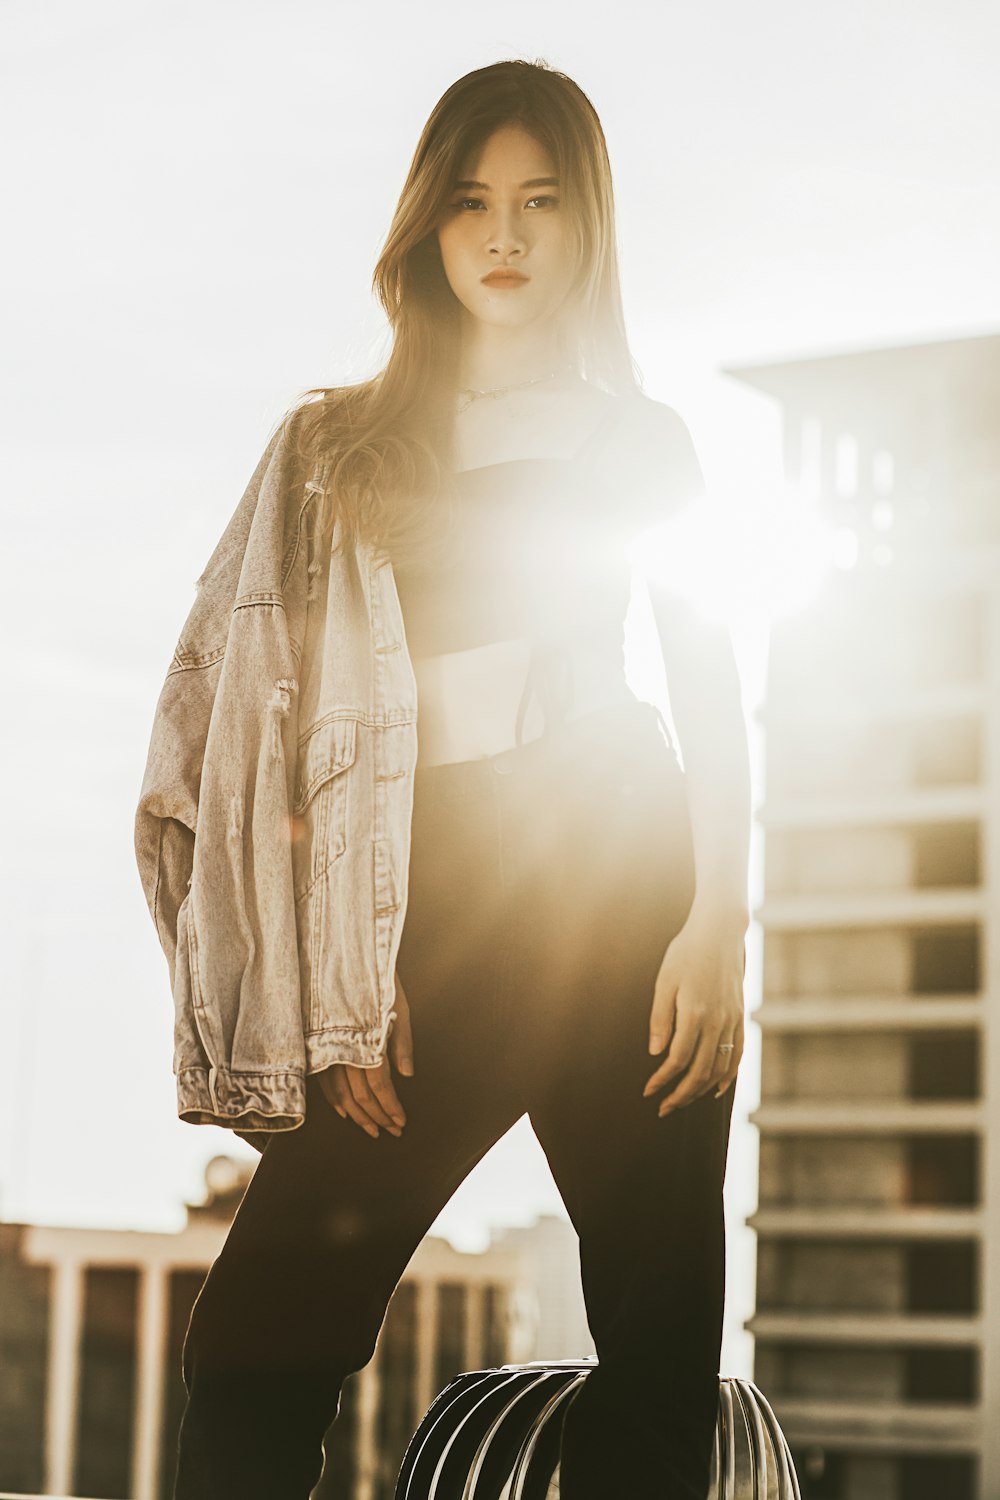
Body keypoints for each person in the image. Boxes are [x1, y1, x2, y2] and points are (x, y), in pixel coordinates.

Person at [135, 58, 750, 1500]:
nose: (507, 236)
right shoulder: (339, 446)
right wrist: (346, 956)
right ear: (427, 224)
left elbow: (709, 689)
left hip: (618, 868)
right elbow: (268, 729)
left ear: (588, 226)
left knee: (657, 1340)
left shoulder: (643, 441)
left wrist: (717, 925)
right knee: (257, 1338)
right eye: (473, 201)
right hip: (429, 899)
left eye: (541, 202)